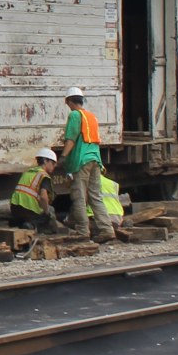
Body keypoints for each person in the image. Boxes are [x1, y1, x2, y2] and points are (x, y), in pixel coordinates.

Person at [58, 88, 117, 242]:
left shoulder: (75, 115)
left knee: (79, 197)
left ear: (69, 101)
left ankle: (83, 231)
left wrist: (63, 156)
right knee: (96, 197)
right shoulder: (91, 116)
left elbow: (71, 139)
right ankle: (106, 229)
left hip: (81, 161)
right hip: (95, 160)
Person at [9, 147, 62, 231]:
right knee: (50, 211)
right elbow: (43, 197)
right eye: (53, 163)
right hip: (29, 210)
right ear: (45, 161)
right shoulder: (43, 176)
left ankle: (19, 223)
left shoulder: (28, 172)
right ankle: (32, 225)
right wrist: (47, 213)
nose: (54, 166)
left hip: (15, 208)